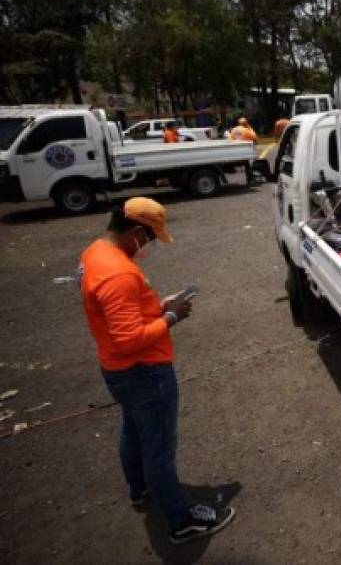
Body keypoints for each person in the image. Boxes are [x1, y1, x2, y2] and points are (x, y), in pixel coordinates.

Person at [79, 198, 235, 544]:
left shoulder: (96, 253)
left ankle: (140, 490)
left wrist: (158, 305)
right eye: (149, 238)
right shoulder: (118, 273)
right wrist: (171, 318)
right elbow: (129, 339)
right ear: (136, 232)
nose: (148, 246)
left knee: (134, 431)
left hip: (120, 371)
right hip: (144, 372)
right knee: (159, 448)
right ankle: (182, 521)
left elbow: (122, 315)